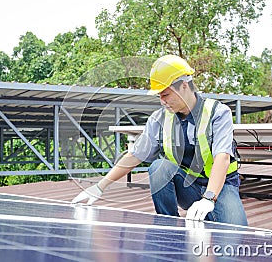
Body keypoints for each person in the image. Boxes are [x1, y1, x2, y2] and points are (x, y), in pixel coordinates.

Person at [72, 54, 248, 226]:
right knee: (159, 167)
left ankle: (207, 211)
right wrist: (100, 186)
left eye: (165, 95)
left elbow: (222, 158)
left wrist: (209, 198)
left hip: (221, 187)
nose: (162, 101)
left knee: (237, 231)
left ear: (184, 86)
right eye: (159, 97)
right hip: (188, 186)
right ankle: (169, 227)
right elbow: (135, 155)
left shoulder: (218, 112)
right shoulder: (160, 119)